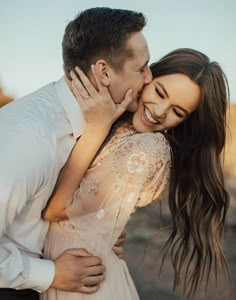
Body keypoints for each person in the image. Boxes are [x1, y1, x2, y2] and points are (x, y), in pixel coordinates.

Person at [41, 48, 230, 299]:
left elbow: (55, 210)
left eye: (177, 111)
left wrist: (97, 129)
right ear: (148, 77)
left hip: (83, 283)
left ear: (186, 121)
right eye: (160, 92)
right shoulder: (117, 121)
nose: (160, 110)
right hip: (67, 270)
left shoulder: (148, 148)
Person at [0, 7, 152, 300]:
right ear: (104, 72)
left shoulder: (95, 124)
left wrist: (96, 229)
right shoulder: (28, 140)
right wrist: (51, 274)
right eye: (141, 68)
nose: (148, 79)